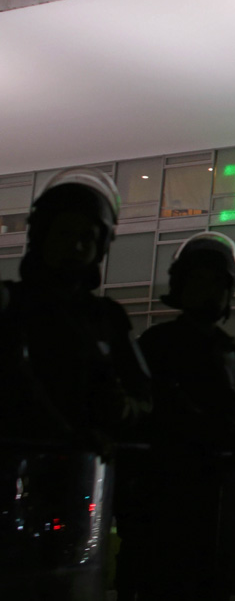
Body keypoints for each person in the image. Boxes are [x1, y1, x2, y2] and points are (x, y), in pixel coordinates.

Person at [0, 169, 151, 598]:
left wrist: (120, 412)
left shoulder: (107, 319)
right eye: (66, 233)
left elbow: (144, 396)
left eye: (88, 236)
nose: (77, 246)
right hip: (15, 476)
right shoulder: (10, 305)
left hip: (82, 484)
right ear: (41, 235)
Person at [130, 232, 235, 601]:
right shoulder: (158, 345)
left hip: (222, 498)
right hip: (169, 502)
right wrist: (234, 439)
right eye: (201, 280)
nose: (211, 291)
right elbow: (163, 411)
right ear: (181, 286)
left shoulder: (234, 353)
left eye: (220, 282)